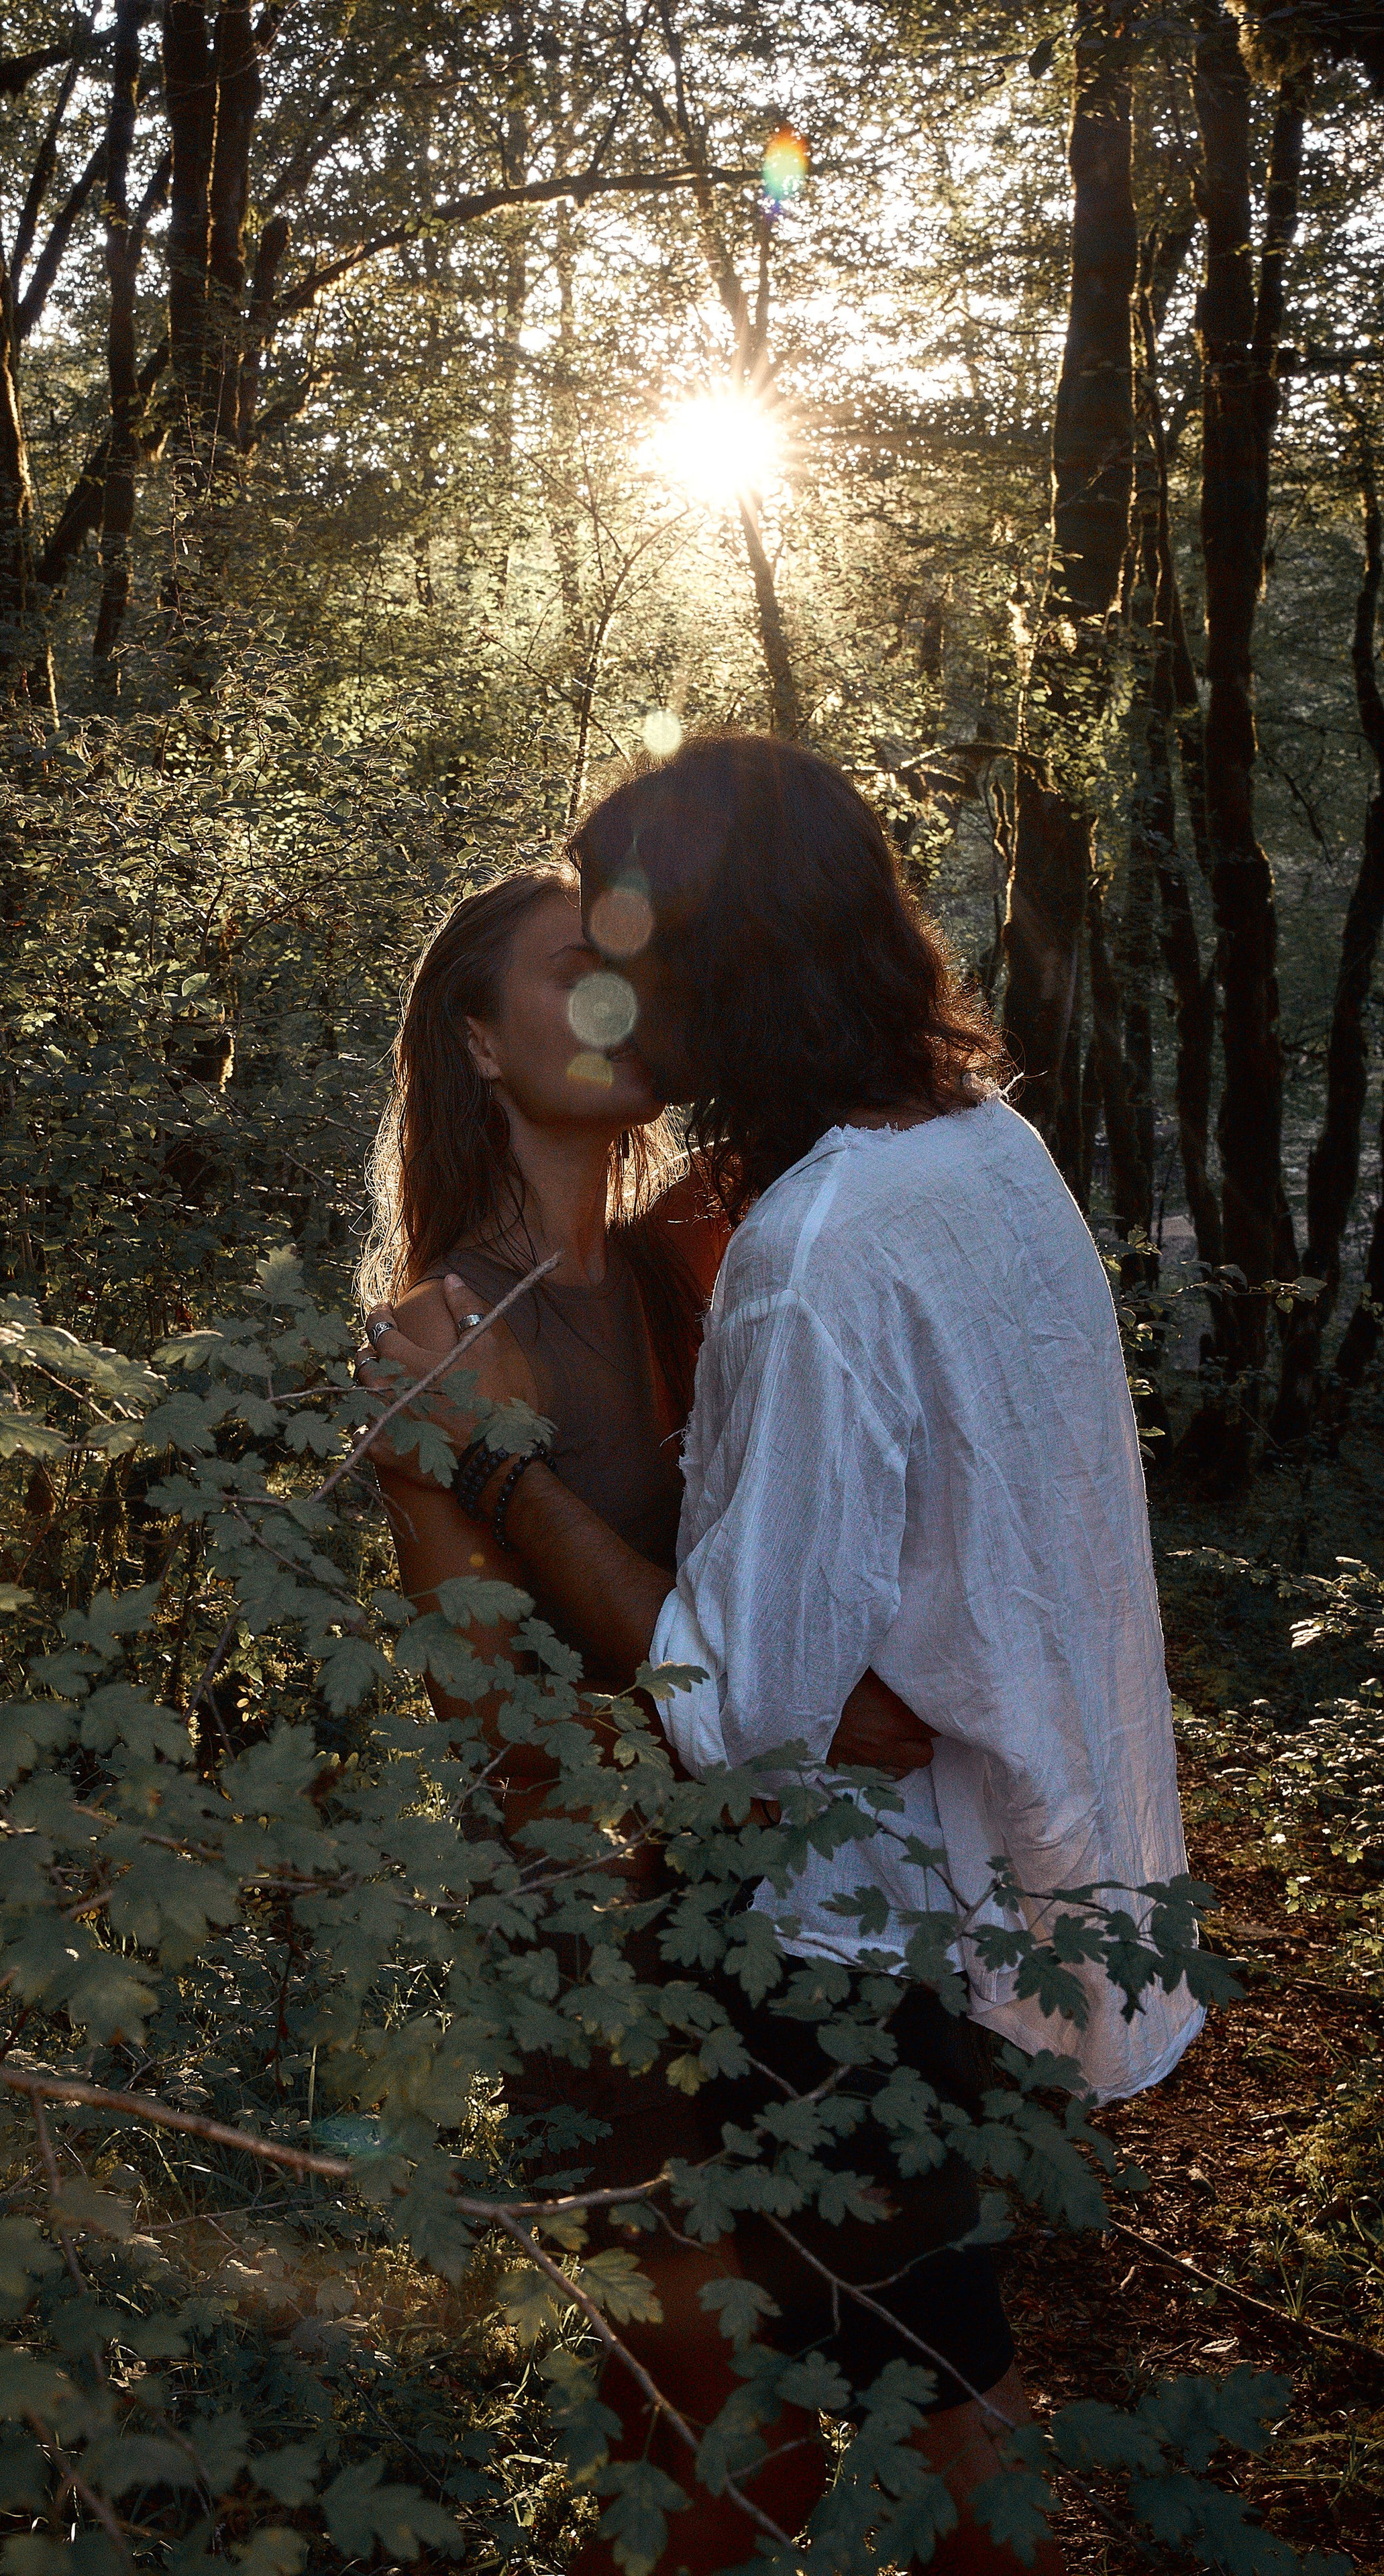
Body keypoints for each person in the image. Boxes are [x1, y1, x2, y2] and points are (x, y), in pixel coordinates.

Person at [362, 737, 1205, 2574]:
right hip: (635, 1943)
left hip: (809, 1924)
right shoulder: (446, 1340)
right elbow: (519, 1725)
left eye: (636, 951)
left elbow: (786, 1622)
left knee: (871, 2390)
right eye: (571, 969)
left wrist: (896, 1666)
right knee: (712, 2424)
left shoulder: (721, 1253)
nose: (613, 989)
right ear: (481, 1052)